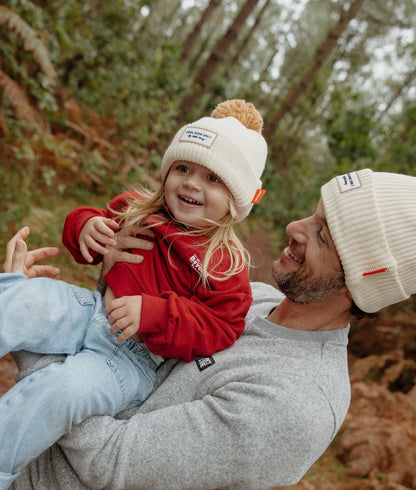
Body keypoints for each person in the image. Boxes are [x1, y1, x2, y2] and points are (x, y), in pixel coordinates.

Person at [4, 168, 416, 490]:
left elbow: (109, 460)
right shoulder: (256, 299)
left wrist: (34, 336)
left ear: (359, 282)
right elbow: (127, 342)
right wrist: (54, 296)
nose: (295, 226)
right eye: (313, 213)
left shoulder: (296, 405)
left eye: (322, 234)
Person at [0, 99, 268, 489]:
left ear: (236, 200)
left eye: (213, 179)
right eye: (183, 168)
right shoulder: (140, 208)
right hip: (88, 309)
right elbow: (88, 226)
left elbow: (222, 326)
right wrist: (85, 227)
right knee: (22, 302)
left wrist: (156, 313)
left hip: (132, 358)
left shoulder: (224, 265)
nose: (192, 182)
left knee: (61, 391)